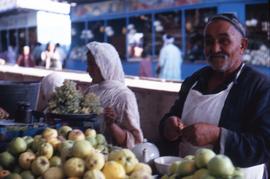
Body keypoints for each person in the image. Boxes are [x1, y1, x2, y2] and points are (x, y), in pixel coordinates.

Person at [159, 13, 270, 179]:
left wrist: (218, 136)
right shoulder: (193, 81)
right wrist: (168, 127)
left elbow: (264, 146)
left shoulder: (260, 86)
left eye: (224, 41)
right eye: (209, 42)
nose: (215, 48)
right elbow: (171, 117)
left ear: (242, 45)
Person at [84, 41, 143, 149]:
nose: (87, 69)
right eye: (88, 64)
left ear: (104, 66)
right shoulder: (91, 91)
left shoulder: (124, 96)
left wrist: (111, 125)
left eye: (91, 64)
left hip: (114, 159)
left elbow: (135, 141)